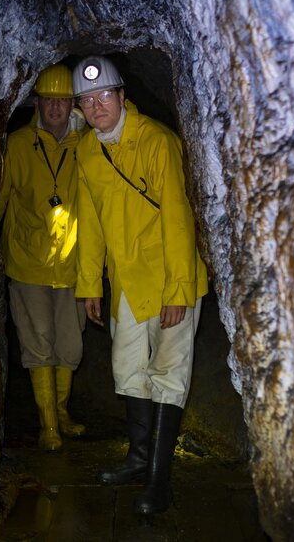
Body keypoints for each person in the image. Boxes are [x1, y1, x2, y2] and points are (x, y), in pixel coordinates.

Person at [72, 55, 209, 514]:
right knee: (128, 369)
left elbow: (177, 219)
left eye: (103, 96)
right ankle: (137, 457)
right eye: (86, 101)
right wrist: (90, 284)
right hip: (128, 282)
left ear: (122, 97)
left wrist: (179, 291)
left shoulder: (156, 141)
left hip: (170, 277)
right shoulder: (88, 151)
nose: (96, 107)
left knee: (169, 376)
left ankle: (159, 480)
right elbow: (88, 222)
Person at [0, 63, 88, 451]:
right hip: (28, 260)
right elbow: (0, 198)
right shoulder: (17, 144)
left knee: (69, 343)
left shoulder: (86, 144)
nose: (55, 108)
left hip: (73, 262)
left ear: (72, 105)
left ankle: (63, 413)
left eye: (63, 101)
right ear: (36, 102)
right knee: (38, 342)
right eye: (48, 100)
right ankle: (47, 423)